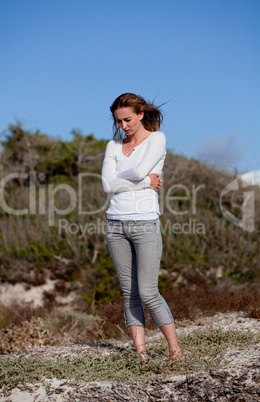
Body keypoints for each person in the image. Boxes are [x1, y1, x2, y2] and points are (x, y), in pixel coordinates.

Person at [101, 93, 183, 359]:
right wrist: (147, 182)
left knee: (148, 291)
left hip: (145, 223)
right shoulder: (113, 145)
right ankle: (141, 354)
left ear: (140, 114)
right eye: (118, 121)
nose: (124, 125)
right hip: (115, 224)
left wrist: (127, 177)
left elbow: (130, 174)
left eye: (127, 119)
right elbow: (106, 185)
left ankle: (175, 351)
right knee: (129, 294)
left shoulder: (157, 139)